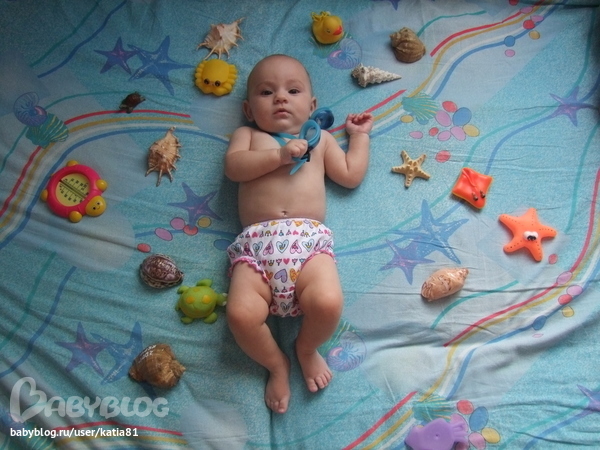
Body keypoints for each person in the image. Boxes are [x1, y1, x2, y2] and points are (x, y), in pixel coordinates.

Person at [224, 54, 373, 414]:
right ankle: (276, 364)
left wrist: (358, 138)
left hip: (308, 246)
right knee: (240, 315)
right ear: (248, 109)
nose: (280, 97)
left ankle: (305, 348)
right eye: (266, 92)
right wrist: (278, 156)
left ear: (312, 105)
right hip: (257, 250)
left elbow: (350, 176)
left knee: (328, 302)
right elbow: (234, 168)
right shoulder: (249, 135)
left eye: (293, 91)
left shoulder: (320, 141)